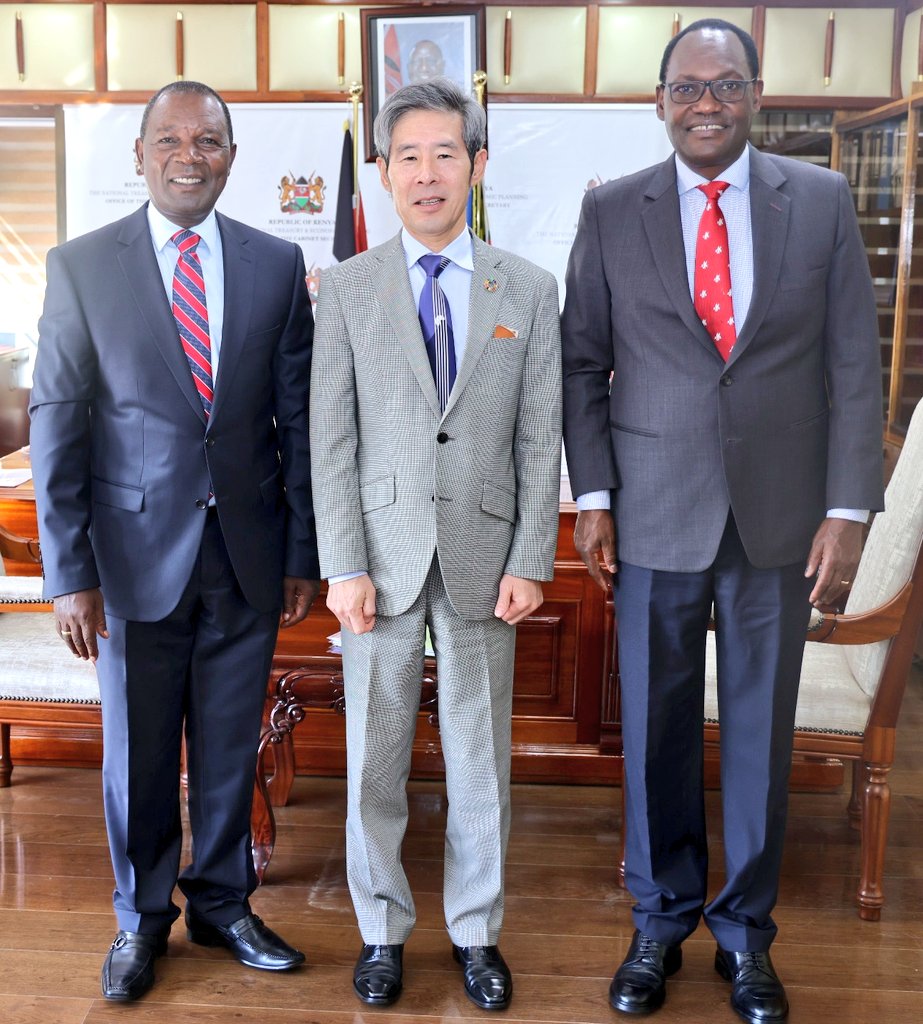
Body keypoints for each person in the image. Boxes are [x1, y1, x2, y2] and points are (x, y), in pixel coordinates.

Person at [561, 19, 883, 1024]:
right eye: (687, 87)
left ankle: (745, 936)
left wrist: (845, 509)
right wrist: (596, 496)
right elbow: (580, 364)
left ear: (755, 95)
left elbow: (849, 364)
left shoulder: (820, 202)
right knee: (655, 734)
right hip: (651, 512)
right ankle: (657, 922)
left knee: (755, 735)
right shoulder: (611, 211)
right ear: (659, 101)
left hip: (777, 522)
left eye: (726, 85)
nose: (706, 102)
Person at [29, 81, 320, 1002]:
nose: (188, 155)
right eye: (169, 139)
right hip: (126, 562)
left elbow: (298, 422)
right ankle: (140, 918)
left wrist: (302, 554)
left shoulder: (276, 263)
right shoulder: (82, 267)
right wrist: (68, 574)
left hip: (246, 553)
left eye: (208, 140)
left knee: (229, 746)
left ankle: (223, 903)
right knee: (140, 753)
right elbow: (56, 421)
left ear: (230, 157)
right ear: (141, 155)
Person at [310, 77, 561, 1011]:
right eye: (407, 157)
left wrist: (532, 556)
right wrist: (343, 562)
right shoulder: (344, 289)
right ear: (382, 172)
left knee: (477, 758)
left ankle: (475, 932)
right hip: (375, 557)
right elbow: (330, 435)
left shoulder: (528, 290)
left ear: (476, 165)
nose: (426, 174)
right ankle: (380, 930)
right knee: (373, 758)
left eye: (444, 154)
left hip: (484, 558)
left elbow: (541, 436)